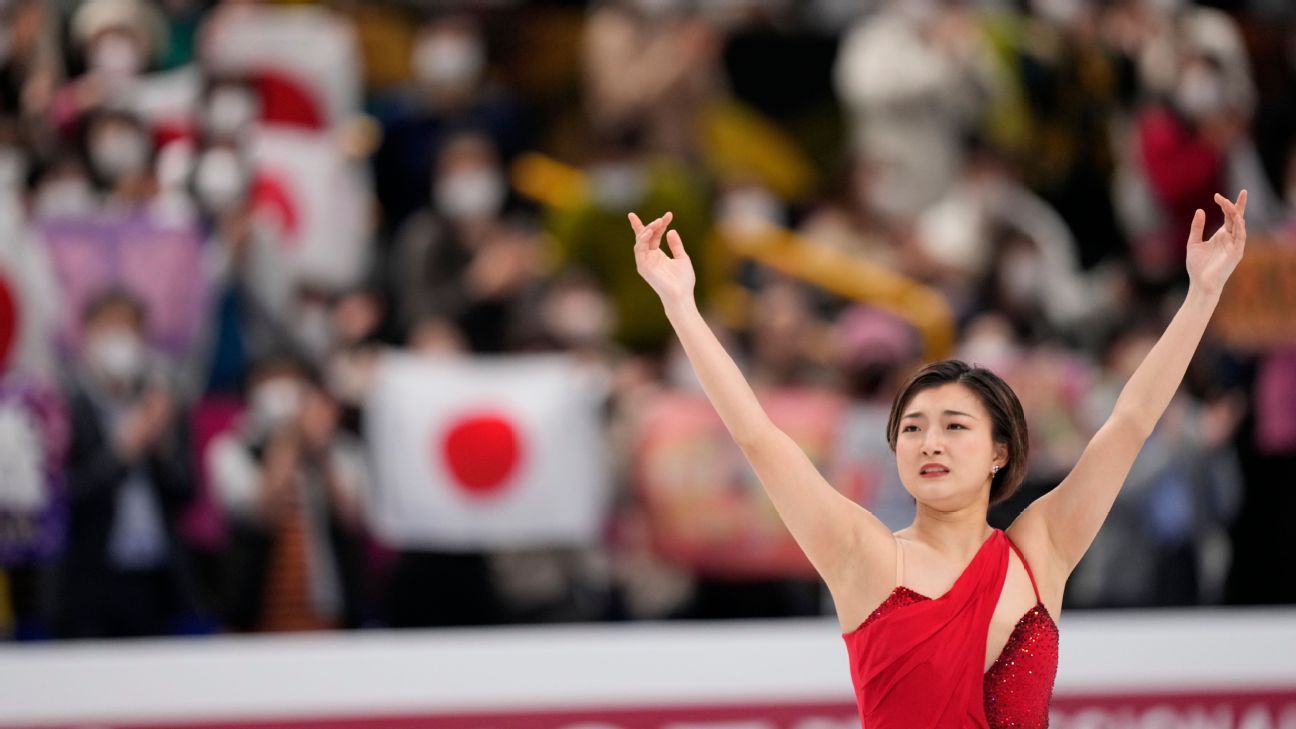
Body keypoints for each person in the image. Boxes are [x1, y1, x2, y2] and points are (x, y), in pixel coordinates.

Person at [628, 187, 1248, 727]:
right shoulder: (861, 553)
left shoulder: (1041, 550)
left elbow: (1131, 423)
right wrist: (679, 304)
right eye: (914, 427)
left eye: (955, 426)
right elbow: (757, 436)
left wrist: (1203, 293)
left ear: (999, 451)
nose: (930, 442)